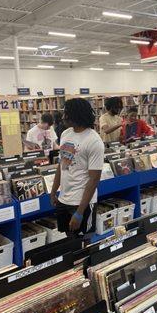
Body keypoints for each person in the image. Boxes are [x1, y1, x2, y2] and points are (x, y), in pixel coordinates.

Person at [50, 98, 104, 237]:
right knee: (70, 239)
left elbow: (94, 180)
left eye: (66, 113)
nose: (63, 117)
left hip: (81, 202)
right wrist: (53, 191)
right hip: (64, 198)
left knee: (84, 242)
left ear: (75, 115)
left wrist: (80, 212)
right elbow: (62, 165)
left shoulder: (94, 141)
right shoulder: (66, 134)